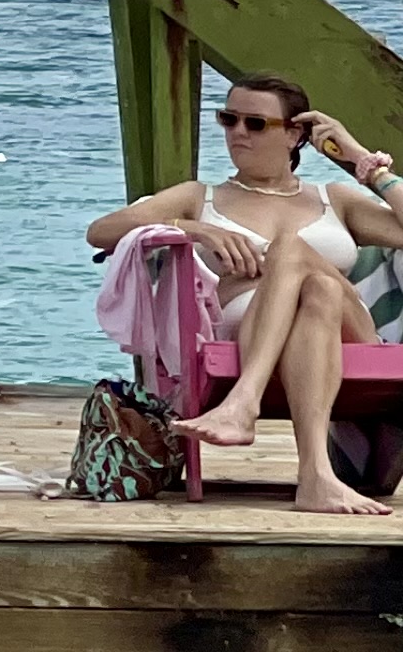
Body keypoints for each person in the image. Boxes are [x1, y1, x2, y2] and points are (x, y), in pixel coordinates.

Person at [87, 72, 402, 517]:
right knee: (318, 290)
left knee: (293, 250)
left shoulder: (335, 200)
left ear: (296, 134)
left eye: (255, 123)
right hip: (252, 326)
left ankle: (243, 402)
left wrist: (364, 163)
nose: (237, 132)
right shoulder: (201, 197)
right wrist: (193, 227)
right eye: (228, 119)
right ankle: (316, 476)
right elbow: (100, 232)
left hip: (348, 335)